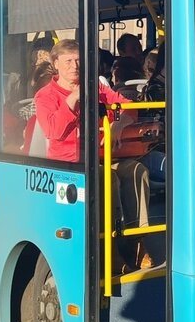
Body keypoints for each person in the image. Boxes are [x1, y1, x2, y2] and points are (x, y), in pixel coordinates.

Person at [35, 40, 151, 252]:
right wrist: (72, 99)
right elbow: (53, 131)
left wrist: (119, 124)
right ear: (56, 64)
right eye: (68, 61)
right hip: (68, 163)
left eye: (79, 60)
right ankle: (109, 246)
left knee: (137, 171)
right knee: (105, 177)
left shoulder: (94, 87)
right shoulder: (45, 96)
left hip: (102, 155)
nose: (75, 66)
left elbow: (128, 106)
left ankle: (137, 240)